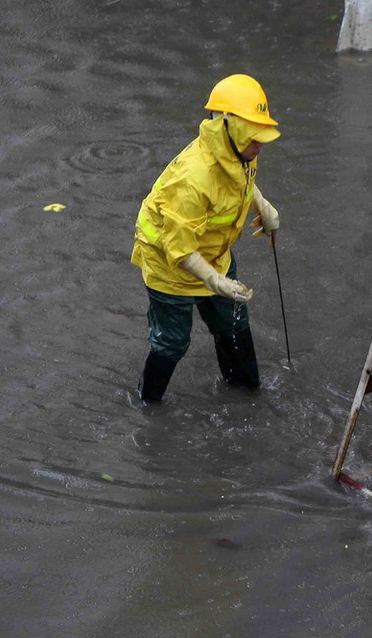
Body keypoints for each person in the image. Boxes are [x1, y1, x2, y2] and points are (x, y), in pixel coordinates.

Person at [131, 74, 282, 401]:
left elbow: (240, 180)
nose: (261, 145)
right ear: (229, 127)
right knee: (172, 342)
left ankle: (246, 390)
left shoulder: (240, 151)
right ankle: (147, 406)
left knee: (234, 321)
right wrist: (216, 282)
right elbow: (180, 249)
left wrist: (262, 205)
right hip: (169, 265)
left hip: (215, 255)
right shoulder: (192, 179)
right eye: (255, 137)